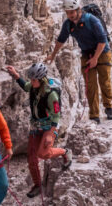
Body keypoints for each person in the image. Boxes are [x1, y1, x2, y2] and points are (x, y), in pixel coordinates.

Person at [46, 0, 112, 124]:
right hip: (87, 54)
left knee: (104, 81)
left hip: (102, 52)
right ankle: (94, 115)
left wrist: (95, 58)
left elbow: (102, 41)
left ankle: (109, 107)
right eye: (68, 13)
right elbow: (61, 40)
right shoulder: (68, 25)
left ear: (78, 9)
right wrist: (53, 55)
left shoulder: (92, 20)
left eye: (72, 12)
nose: (70, 15)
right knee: (90, 85)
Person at [6, 62, 72, 198]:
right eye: (31, 79)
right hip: (36, 125)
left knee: (43, 153)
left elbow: (56, 115)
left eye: (34, 80)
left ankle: (65, 152)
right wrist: (16, 75)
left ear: (41, 80)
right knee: (31, 158)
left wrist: (50, 134)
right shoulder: (35, 87)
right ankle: (37, 185)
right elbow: (25, 87)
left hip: (49, 126)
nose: (31, 82)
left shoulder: (51, 94)